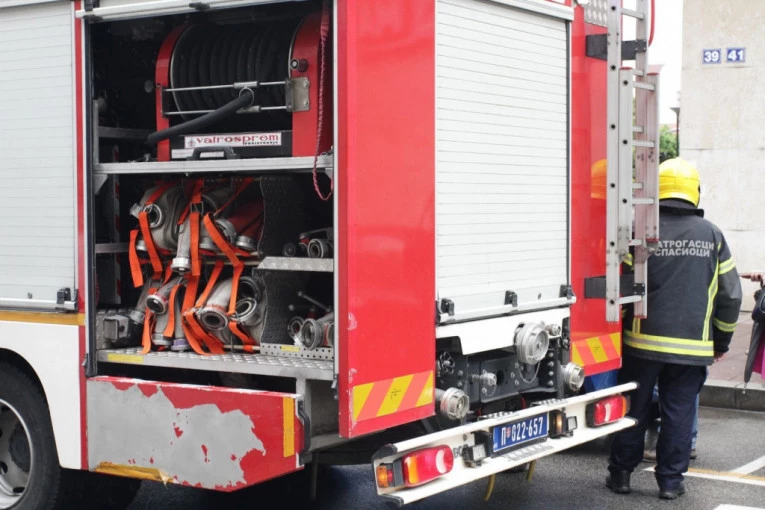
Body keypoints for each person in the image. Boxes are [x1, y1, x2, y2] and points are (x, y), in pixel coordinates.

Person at [606, 157, 742, 500]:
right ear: (694, 192)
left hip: (641, 344)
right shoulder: (712, 235)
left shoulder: (641, 232)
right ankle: (670, 483)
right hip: (692, 348)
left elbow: (620, 284)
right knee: (679, 415)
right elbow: (730, 295)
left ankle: (621, 475)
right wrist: (721, 341)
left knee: (633, 409)